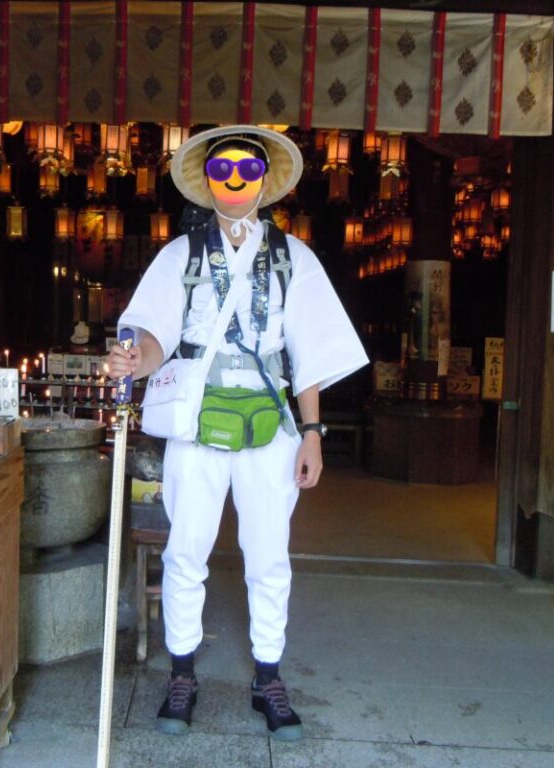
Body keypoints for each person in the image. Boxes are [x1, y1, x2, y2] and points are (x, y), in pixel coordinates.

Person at [106, 126, 368, 741]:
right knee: (185, 551)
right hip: (197, 423)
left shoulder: (292, 257)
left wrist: (312, 433)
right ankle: (183, 672)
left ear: (264, 180)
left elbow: (307, 354)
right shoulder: (181, 255)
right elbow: (149, 334)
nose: (233, 182)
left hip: (270, 425)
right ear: (206, 180)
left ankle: (269, 676)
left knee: (269, 556)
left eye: (246, 171)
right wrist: (132, 357)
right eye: (222, 170)